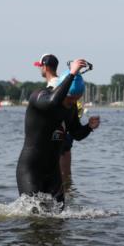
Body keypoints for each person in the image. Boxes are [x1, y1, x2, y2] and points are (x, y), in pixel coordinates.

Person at [17, 58, 99, 205]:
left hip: (53, 171)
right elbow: (53, 102)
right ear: (62, 91)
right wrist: (72, 74)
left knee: (60, 217)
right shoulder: (39, 96)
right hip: (31, 169)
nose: (71, 104)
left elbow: (76, 133)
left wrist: (89, 127)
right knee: (33, 215)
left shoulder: (71, 107)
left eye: (75, 100)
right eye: (69, 100)